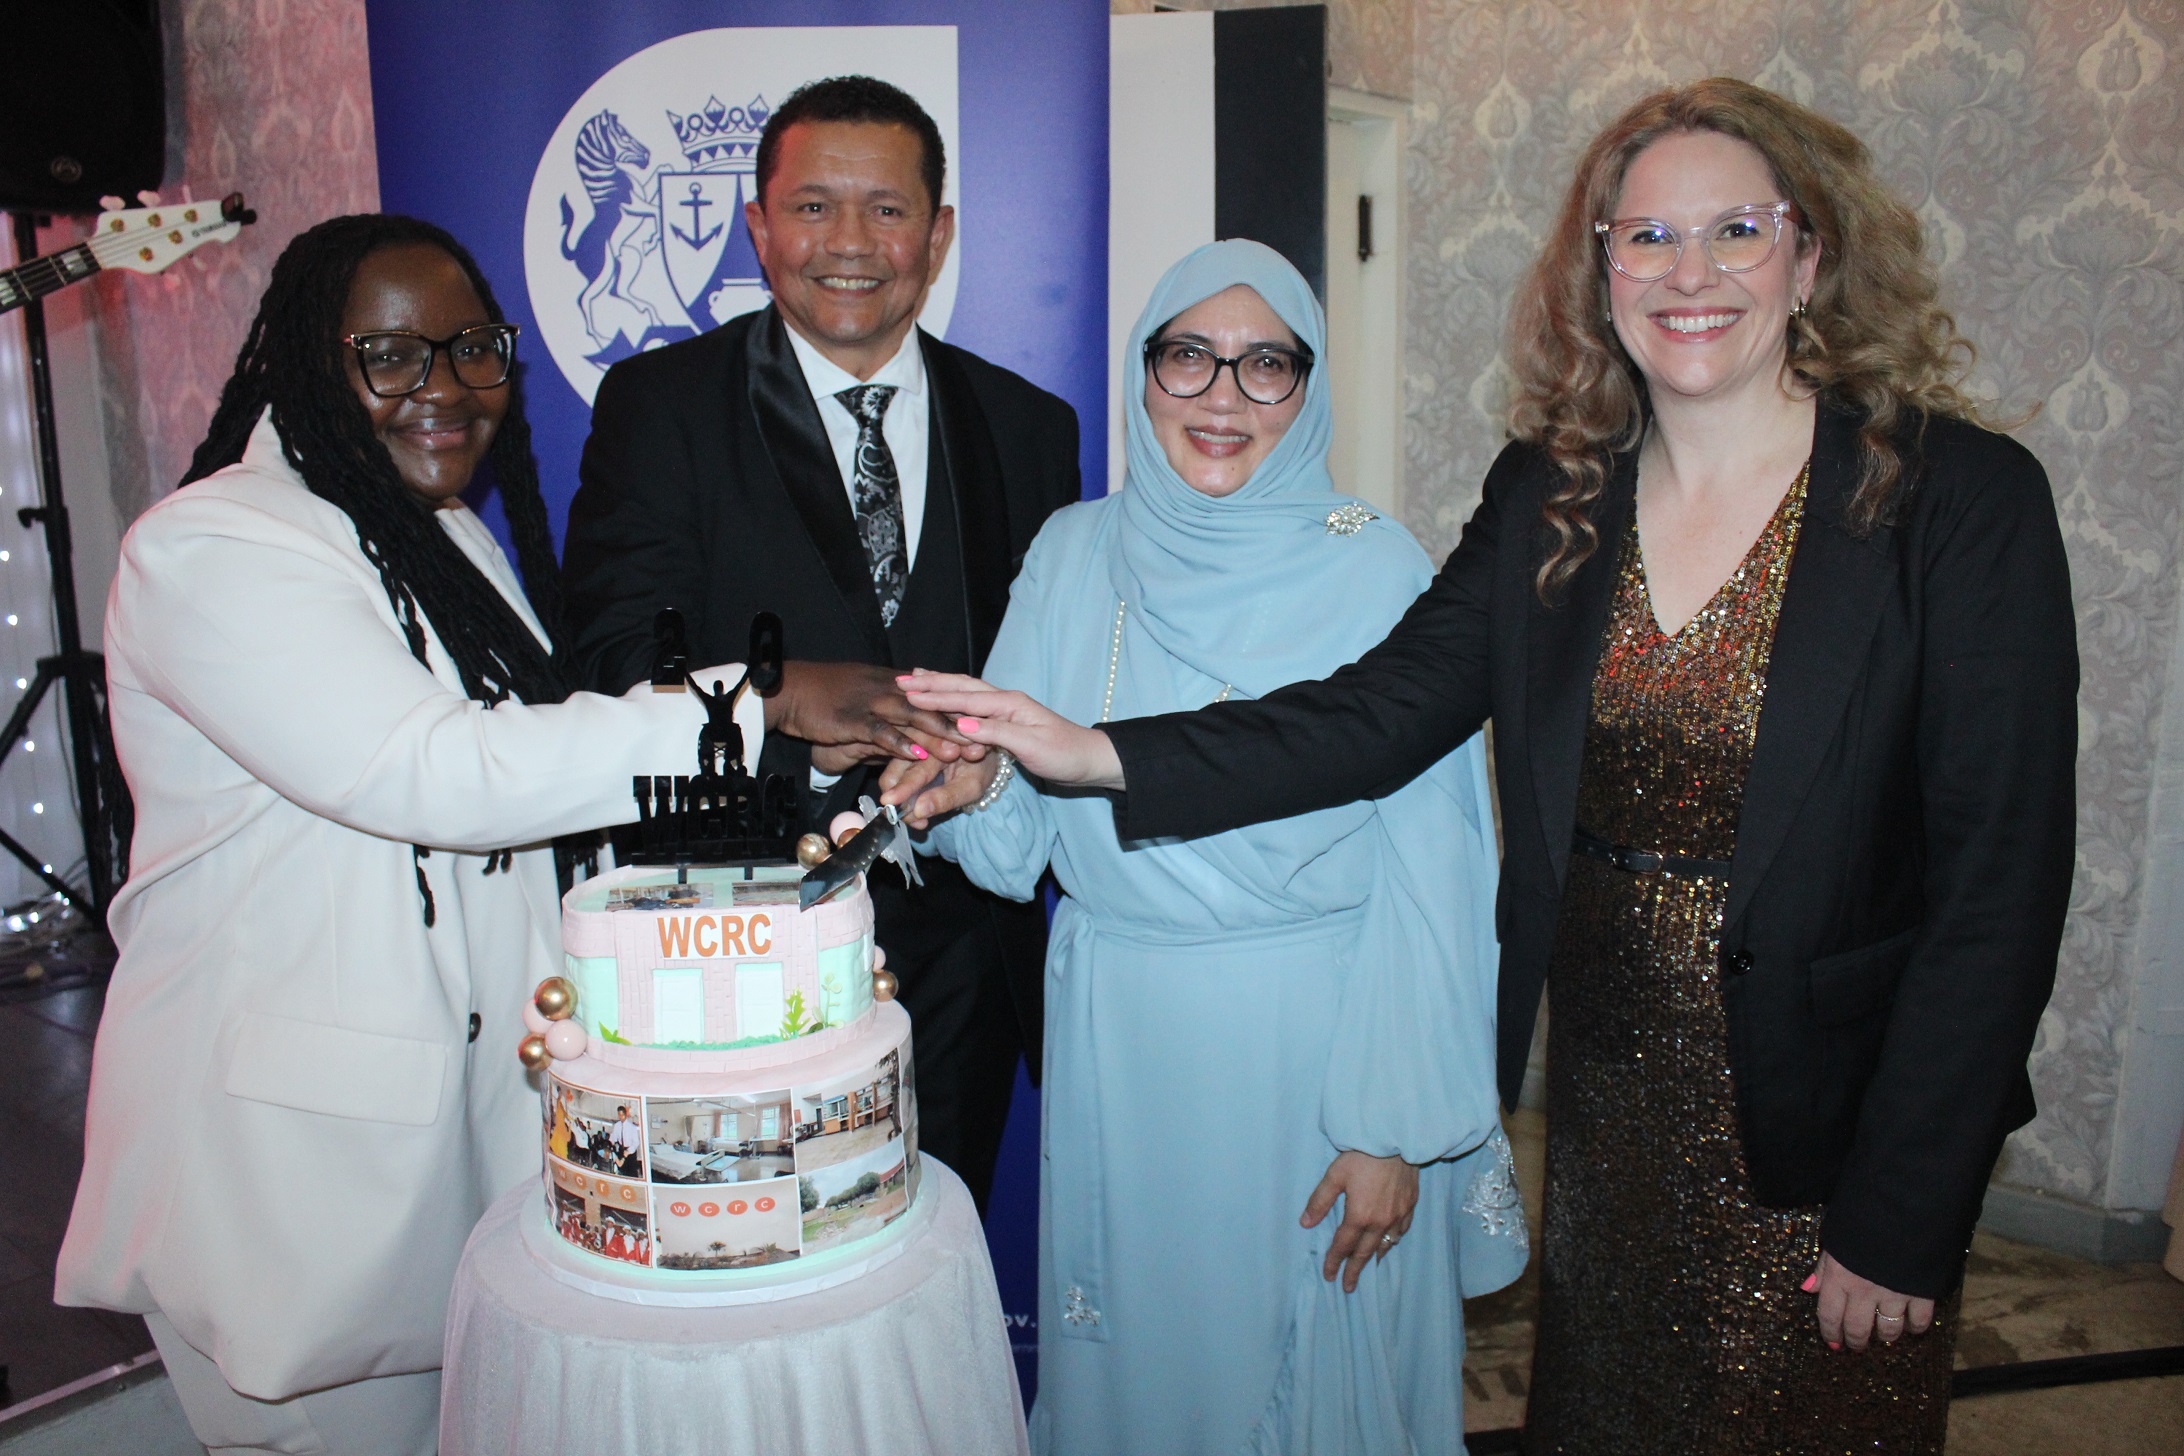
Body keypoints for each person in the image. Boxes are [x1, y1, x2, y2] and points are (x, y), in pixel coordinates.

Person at [892, 80, 2076, 1454]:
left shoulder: (1956, 502)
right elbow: (1373, 717)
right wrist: (1089, 753)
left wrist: (1907, 1210)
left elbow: (1998, 895)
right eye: (1646, 238)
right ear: (1602, 269)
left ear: (1810, 256)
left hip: (1822, 1124)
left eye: (1736, 231)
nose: (1688, 275)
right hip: (1609, 1106)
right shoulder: (1557, 491)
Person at [52, 214, 885, 1455]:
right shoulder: (214, 546)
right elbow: (433, 771)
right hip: (296, 1176)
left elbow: (544, 799)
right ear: (301, 364)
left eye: (473, 350)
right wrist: (753, 701)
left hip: (461, 1137)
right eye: (389, 356)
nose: (444, 390)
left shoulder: (433, 534)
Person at [892, 240, 1523, 1455]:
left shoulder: (1375, 564)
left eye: (1265, 366)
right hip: (1124, 1047)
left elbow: (1437, 868)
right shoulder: (1075, 549)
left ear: (1310, 386)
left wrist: (1388, 1126)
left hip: (1315, 1050)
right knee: (1149, 1373)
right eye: (1190, 357)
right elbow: (1020, 841)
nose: (1222, 399)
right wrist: (966, 785)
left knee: (1308, 1372)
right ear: (1145, 373)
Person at [561, 75, 1081, 1210]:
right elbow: (601, 660)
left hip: (963, 960)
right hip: (729, 940)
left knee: (925, 1258)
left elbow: (1056, 686)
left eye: (887, 210)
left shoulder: (1032, 427)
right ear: (757, 225)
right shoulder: (659, 407)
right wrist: (785, 691)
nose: (850, 243)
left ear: (938, 235)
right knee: (751, 1290)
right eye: (811, 207)